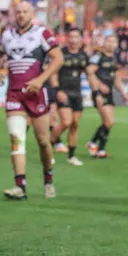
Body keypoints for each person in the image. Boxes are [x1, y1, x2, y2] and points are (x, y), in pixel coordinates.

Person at [0, 2, 64, 200]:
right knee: (17, 139)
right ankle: (20, 186)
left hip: (37, 94)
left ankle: (48, 179)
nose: (21, 15)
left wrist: (41, 80)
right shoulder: (7, 35)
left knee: (43, 141)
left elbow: (59, 59)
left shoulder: (43, 32)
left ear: (32, 14)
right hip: (14, 94)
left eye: (25, 12)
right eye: (18, 12)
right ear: (14, 15)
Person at [49, 28, 90, 165]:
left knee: (74, 125)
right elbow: (53, 73)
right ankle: (48, 147)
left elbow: (89, 72)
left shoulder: (83, 56)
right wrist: (58, 90)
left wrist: (97, 89)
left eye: (76, 37)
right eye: (71, 37)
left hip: (77, 94)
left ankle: (71, 156)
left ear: (80, 39)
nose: (73, 40)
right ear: (67, 38)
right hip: (63, 92)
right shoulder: (61, 53)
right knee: (66, 122)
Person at [85, 35, 128, 158]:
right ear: (104, 43)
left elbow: (116, 78)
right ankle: (95, 144)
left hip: (108, 93)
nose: (112, 44)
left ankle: (99, 149)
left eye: (114, 42)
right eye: (109, 41)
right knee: (108, 121)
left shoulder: (114, 59)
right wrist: (99, 86)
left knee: (109, 123)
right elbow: (89, 72)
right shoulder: (98, 57)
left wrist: (123, 93)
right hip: (99, 93)